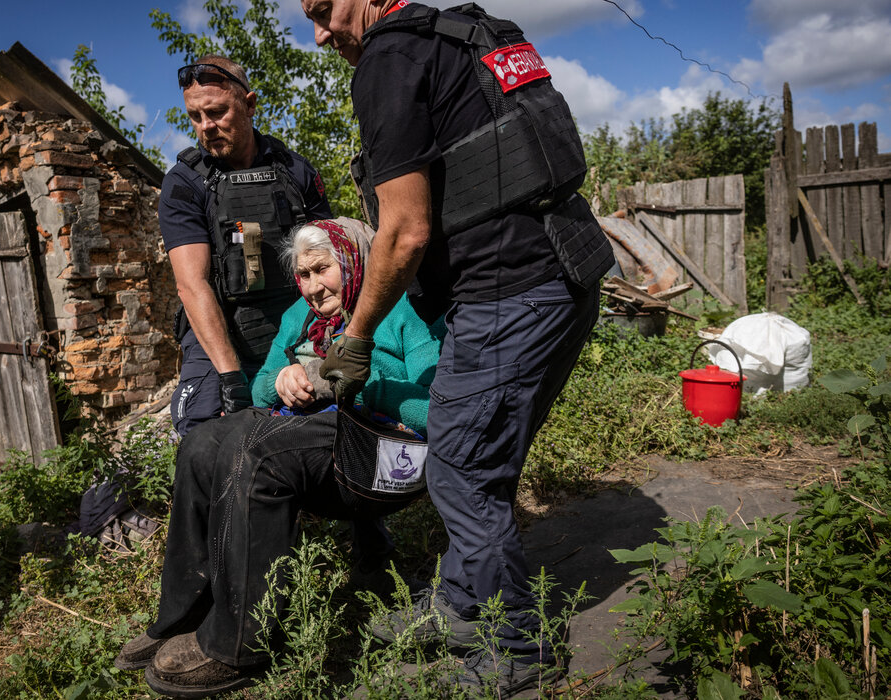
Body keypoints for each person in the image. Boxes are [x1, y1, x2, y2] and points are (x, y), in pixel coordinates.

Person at [300, 0, 616, 693]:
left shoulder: (388, 55)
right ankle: (462, 604)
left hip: (509, 294)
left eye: (323, 10)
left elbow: (405, 230)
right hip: (570, 273)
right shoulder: (474, 33)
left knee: (463, 470)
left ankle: (517, 646)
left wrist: (356, 337)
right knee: (469, 453)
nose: (321, 34)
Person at [114, 217, 443, 698]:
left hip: (371, 446)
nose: (311, 286)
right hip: (303, 432)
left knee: (259, 455)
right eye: (303, 274)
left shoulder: (394, 315)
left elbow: (436, 410)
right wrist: (283, 379)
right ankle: (187, 611)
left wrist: (367, 386)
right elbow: (261, 384)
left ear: (352, 262)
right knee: (202, 444)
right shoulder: (297, 317)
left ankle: (238, 645)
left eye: (321, 270)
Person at [160, 54, 332, 436]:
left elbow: (331, 257)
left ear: (250, 104)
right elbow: (192, 284)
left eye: (217, 112)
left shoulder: (295, 171)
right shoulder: (184, 184)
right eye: (195, 116)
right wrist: (231, 377)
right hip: (218, 336)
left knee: (326, 420)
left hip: (294, 326)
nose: (205, 127)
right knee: (205, 438)